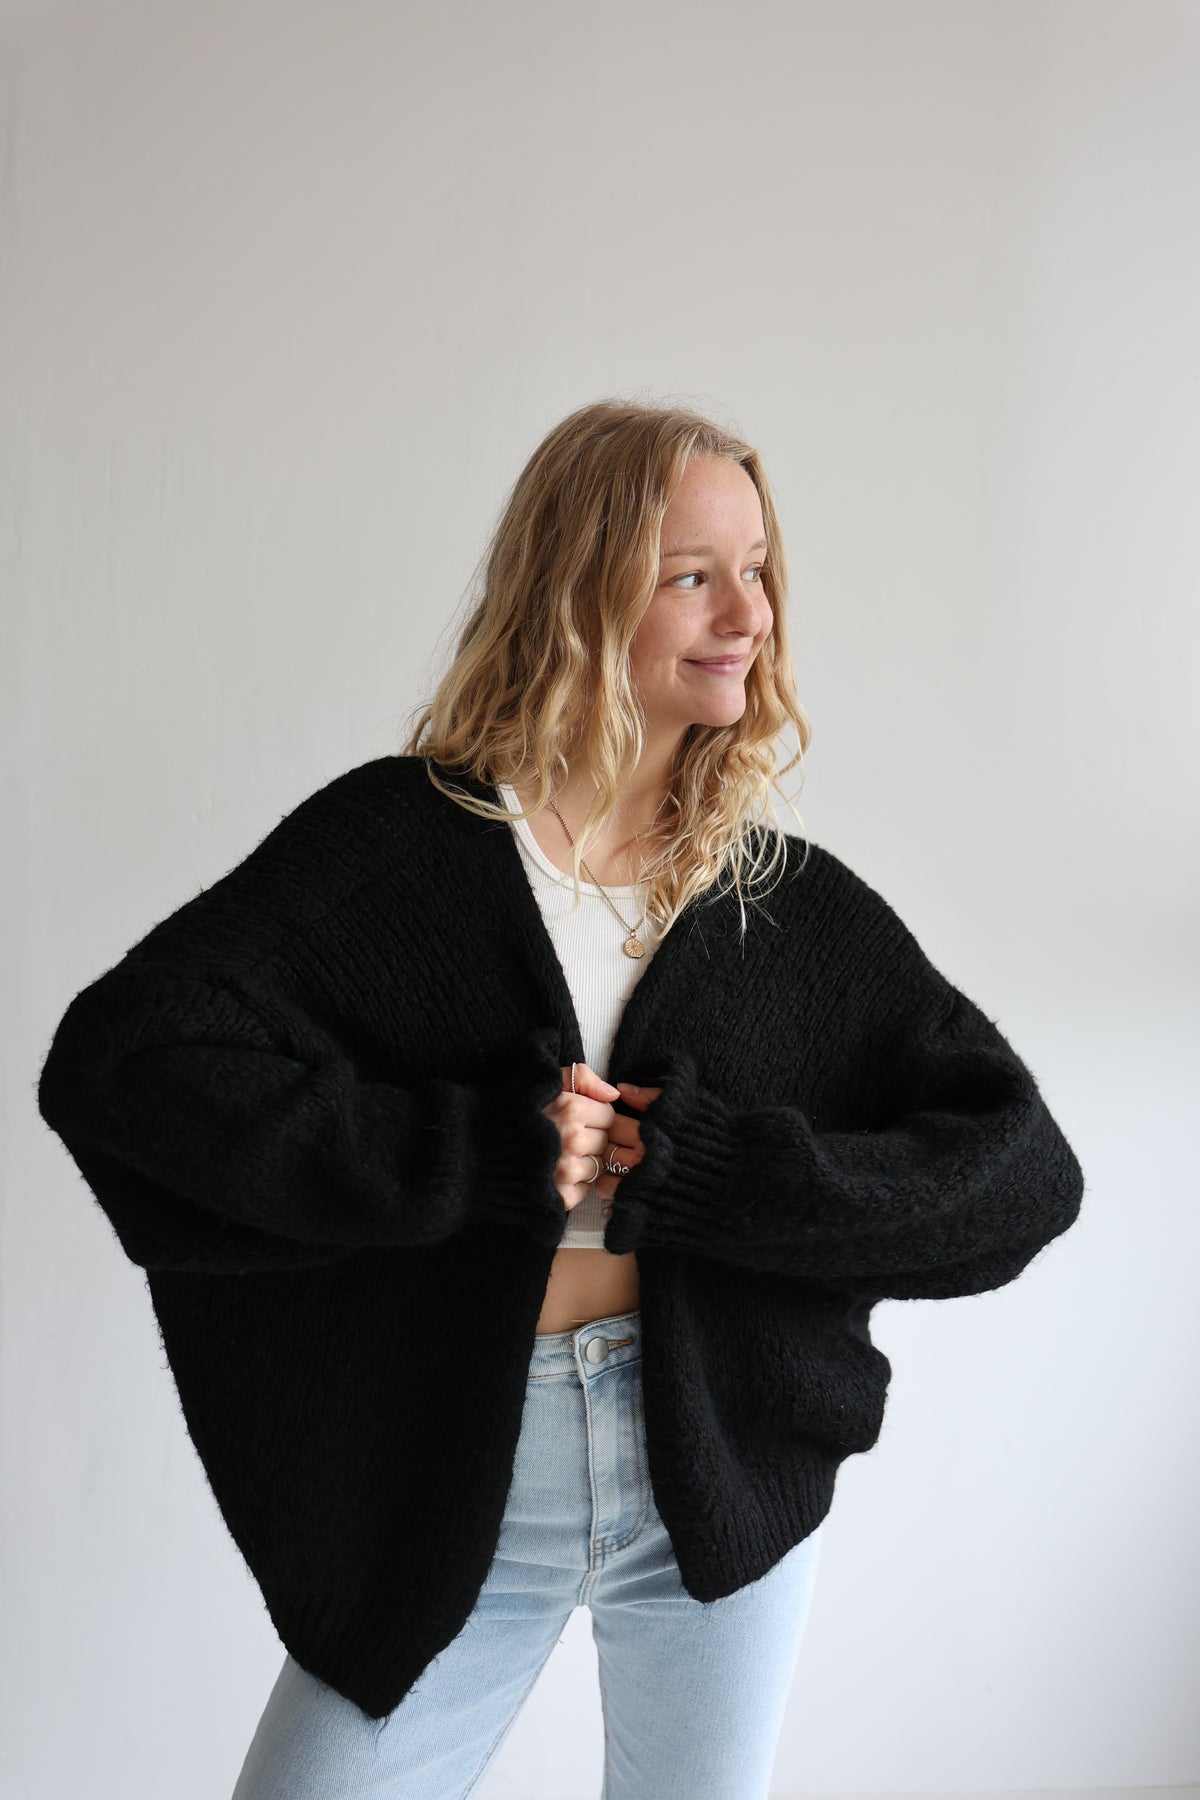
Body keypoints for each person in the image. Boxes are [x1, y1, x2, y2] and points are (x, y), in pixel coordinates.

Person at [36, 397, 1086, 1800]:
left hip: (713, 1484)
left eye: (759, 568)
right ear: (582, 590)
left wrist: (727, 1179)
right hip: (460, 1480)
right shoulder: (401, 844)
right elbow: (123, 1064)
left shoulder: (778, 902)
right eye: (692, 575)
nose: (749, 615)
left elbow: (1022, 1175)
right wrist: (465, 1153)